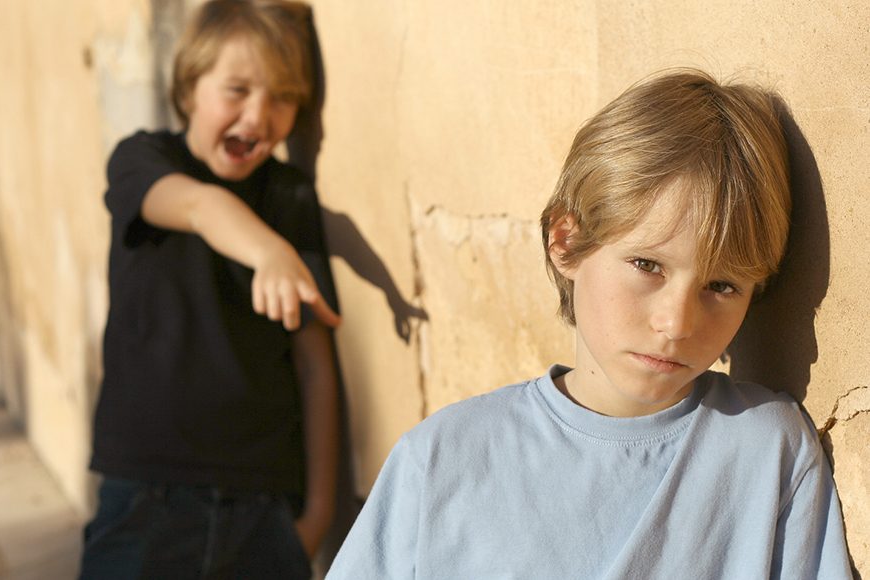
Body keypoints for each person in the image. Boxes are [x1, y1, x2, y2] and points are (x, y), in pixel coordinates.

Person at [326, 69, 853, 579]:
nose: (676, 322)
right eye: (647, 265)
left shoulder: (768, 451)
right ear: (566, 242)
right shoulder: (443, 457)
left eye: (722, 287)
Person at [80, 1, 340, 578]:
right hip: (147, 498)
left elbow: (316, 366)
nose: (258, 115)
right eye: (238, 89)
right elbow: (199, 206)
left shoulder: (289, 197)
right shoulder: (141, 160)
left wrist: (317, 514)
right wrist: (269, 251)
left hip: (264, 511)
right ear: (190, 85)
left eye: (282, 96)